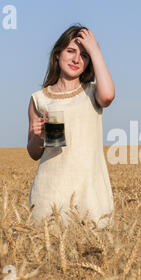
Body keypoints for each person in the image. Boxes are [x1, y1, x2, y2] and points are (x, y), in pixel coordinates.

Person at [27, 24, 115, 229]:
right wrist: (38, 136)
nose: (76, 59)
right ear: (58, 54)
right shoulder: (39, 99)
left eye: (84, 55)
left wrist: (95, 50)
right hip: (49, 192)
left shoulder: (92, 92)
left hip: (90, 191)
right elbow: (33, 153)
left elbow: (108, 96)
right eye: (71, 51)